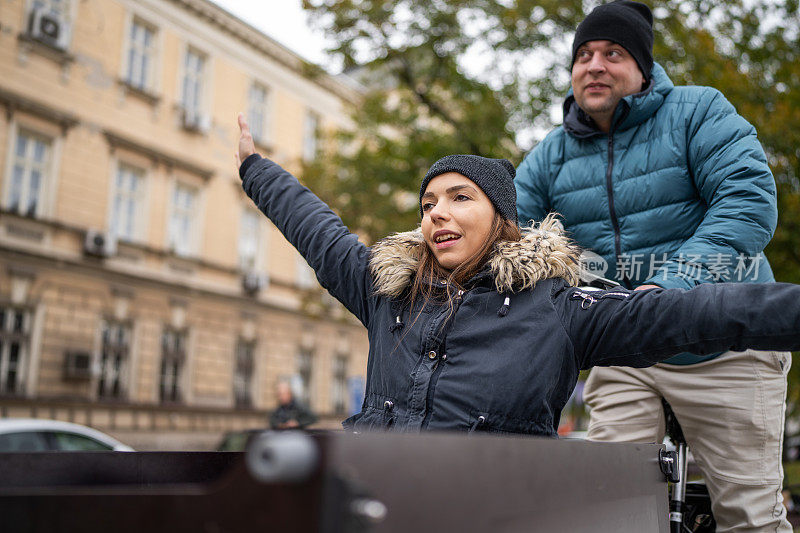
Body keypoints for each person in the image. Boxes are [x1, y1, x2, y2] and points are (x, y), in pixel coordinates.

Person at [235, 113, 800, 443]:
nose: (437, 212)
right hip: (375, 502)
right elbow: (318, 230)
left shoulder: (556, 307)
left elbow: (691, 315)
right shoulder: (386, 291)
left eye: (460, 198)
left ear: (502, 223)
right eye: (428, 202)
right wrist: (255, 170)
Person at [514, 1, 790, 530]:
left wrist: (673, 284)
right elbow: (508, 235)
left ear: (642, 70)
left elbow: (747, 201)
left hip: (722, 343)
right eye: (584, 55)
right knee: (607, 508)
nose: (594, 65)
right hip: (626, 349)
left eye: (613, 53)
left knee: (748, 516)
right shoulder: (550, 155)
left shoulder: (698, 111)